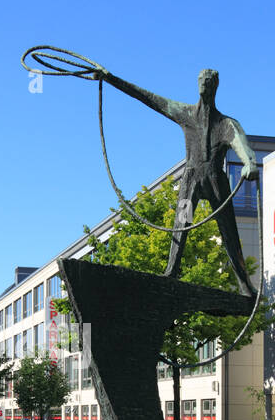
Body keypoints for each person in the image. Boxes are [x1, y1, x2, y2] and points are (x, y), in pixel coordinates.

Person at [95, 67, 261, 297]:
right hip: (191, 180)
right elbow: (148, 98)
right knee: (181, 225)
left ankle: (244, 284)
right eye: (201, 80)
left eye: (209, 81)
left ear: (215, 86)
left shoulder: (226, 124)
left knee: (229, 233)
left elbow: (242, 147)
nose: (204, 83)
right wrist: (110, 78)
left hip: (216, 183)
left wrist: (249, 163)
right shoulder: (185, 113)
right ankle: (171, 271)